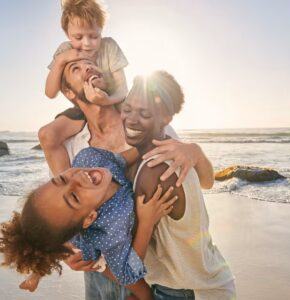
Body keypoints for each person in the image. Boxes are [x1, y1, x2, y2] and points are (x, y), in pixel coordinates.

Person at [39, 58, 215, 299]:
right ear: (68, 92)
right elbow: (60, 210)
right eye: (76, 68)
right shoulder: (76, 145)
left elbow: (202, 183)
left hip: (149, 270)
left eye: (91, 63)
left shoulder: (143, 124)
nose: (88, 68)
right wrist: (67, 250)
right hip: (100, 271)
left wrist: (194, 150)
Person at [0, 147, 176, 299]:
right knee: (143, 292)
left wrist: (146, 146)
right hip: (91, 249)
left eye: (61, 179)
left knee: (57, 241)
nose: (78, 178)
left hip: (74, 227)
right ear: (91, 217)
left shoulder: (88, 157)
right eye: (74, 197)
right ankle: (37, 272)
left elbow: (120, 159)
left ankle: (36, 274)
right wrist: (146, 221)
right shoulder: (111, 230)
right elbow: (128, 273)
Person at [119, 71, 236, 299]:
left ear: (166, 119)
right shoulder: (171, 147)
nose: (131, 119)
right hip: (207, 278)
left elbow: (132, 262)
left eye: (143, 113)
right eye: (127, 109)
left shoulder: (155, 171)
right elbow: (208, 182)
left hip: (187, 290)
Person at [39, 0, 129, 176]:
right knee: (47, 134)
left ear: (101, 31)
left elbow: (123, 89)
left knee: (138, 119)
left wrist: (107, 100)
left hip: (114, 101)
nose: (87, 44)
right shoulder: (64, 51)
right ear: (67, 34)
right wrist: (61, 61)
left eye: (94, 36)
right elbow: (50, 93)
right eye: (78, 37)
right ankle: (66, 185)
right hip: (84, 107)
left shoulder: (109, 46)